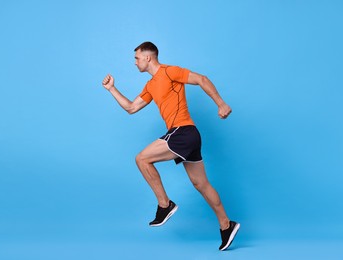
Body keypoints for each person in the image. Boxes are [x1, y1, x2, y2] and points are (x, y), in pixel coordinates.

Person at [102, 41, 240, 251]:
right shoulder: (150, 85)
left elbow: (201, 79)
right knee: (201, 184)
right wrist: (112, 89)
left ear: (148, 57)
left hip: (182, 132)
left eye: (137, 58)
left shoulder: (169, 72)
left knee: (142, 158)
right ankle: (226, 225)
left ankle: (165, 205)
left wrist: (220, 103)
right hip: (186, 136)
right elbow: (131, 108)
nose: (135, 62)